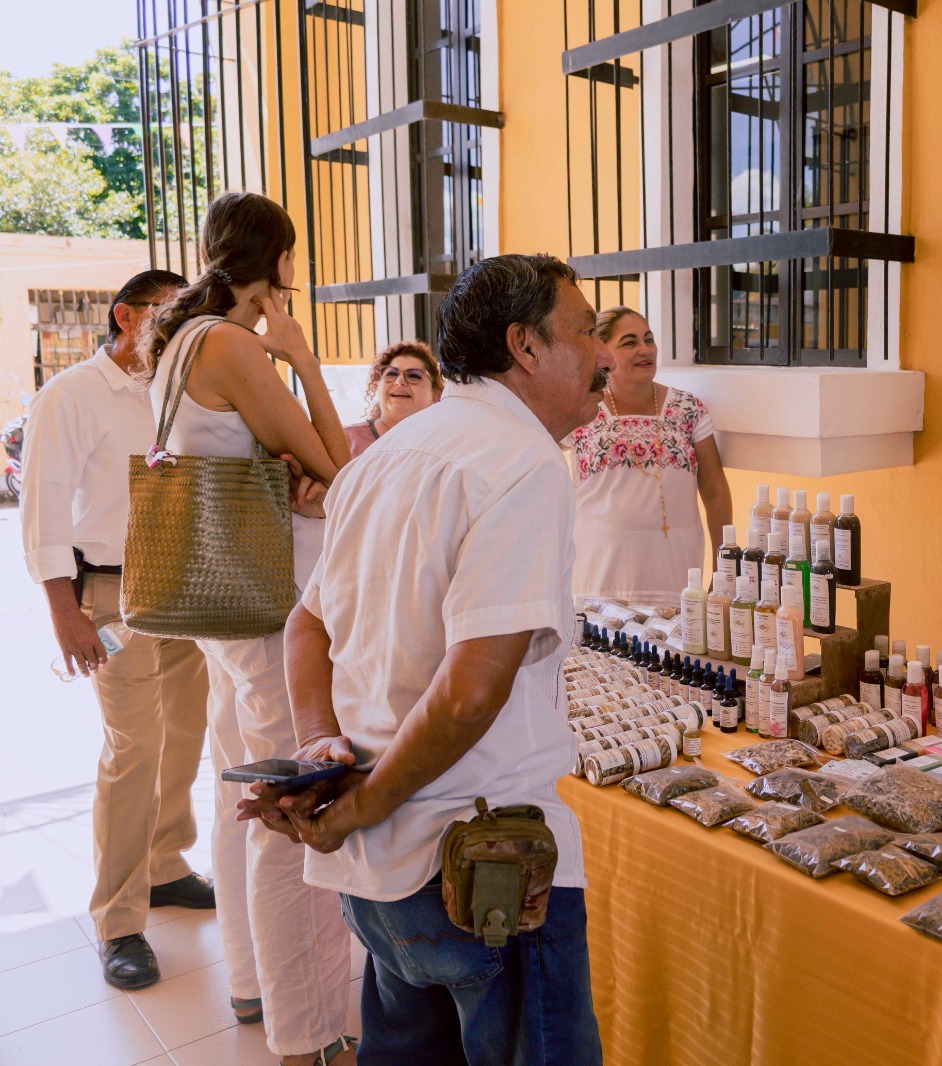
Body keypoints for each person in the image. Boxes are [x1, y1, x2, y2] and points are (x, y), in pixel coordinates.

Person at [244, 253, 608, 1064]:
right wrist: (362, 803)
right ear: (525, 345)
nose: (604, 354)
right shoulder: (521, 467)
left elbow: (308, 625)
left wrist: (319, 747)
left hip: (380, 884)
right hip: (480, 871)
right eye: (585, 331)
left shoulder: (386, 457)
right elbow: (472, 692)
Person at [141, 191, 355, 1066]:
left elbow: (273, 454)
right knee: (285, 810)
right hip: (266, 605)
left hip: (221, 607)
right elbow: (339, 465)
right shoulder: (230, 343)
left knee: (239, 801)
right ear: (280, 265)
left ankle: (254, 986)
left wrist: (283, 456)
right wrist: (301, 358)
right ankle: (306, 1035)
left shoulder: (181, 342)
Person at [20, 268, 215, 990]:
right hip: (111, 589)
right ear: (126, 317)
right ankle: (118, 918)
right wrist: (63, 610)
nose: (178, 329)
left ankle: (166, 865)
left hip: (185, 584)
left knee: (187, 731)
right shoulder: (71, 395)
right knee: (135, 746)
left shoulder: (179, 390)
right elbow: (40, 510)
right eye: (167, 314)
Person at [566, 306, 732, 609]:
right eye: (629, 342)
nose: (644, 350)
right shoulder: (581, 407)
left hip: (674, 576)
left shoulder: (687, 409)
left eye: (648, 339)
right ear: (601, 351)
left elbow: (715, 491)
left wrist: (723, 571)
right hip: (599, 575)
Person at [343, 340, 443, 457]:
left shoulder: (443, 444)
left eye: (414, 375)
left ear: (436, 394)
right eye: (391, 374)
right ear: (377, 385)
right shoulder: (346, 441)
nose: (399, 381)